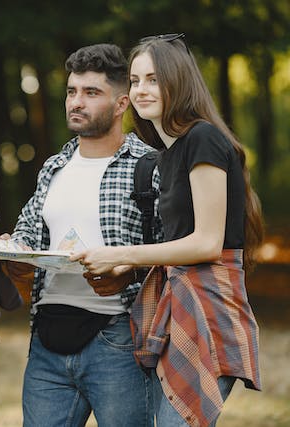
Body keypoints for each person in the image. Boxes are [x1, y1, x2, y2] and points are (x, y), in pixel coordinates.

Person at [74, 33, 264, 427]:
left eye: (154, 79)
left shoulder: (203, 139)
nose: (141, 90)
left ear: (178, 81)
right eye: (136, 80)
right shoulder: (170, 153)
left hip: (208, 307)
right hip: (177, 304)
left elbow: (208, 243)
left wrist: (122, 254)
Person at [10, 44, 161, 426]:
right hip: (47, 337)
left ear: (122, 103)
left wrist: (129, 269)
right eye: (72, 91)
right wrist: (14, 252)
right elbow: (28, 228)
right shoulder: (54, 166)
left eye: (91, 93)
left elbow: (173, 251)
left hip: (118, 338)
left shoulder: (149, 168)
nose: (76, 102)